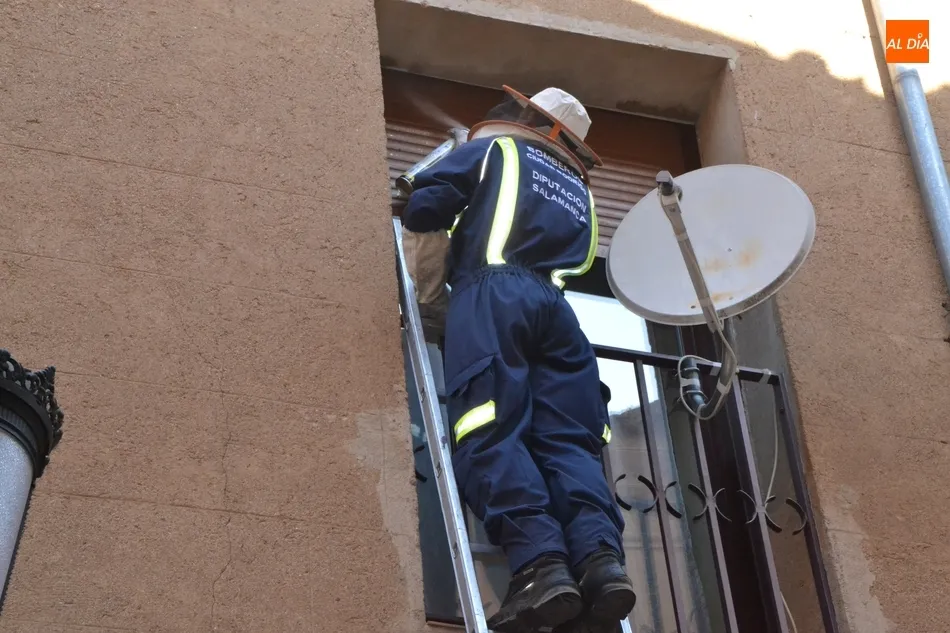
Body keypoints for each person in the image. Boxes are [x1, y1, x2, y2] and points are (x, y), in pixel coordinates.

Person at [401, 85, 635, 633]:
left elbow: (426, 205)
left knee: (489, 426)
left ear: (529, 120)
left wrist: (434, 300)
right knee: (567, 443)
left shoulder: (497, 152)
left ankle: (539, 567)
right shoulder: (579, 190)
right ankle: (599, 563)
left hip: (493, 295)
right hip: (557, 314)